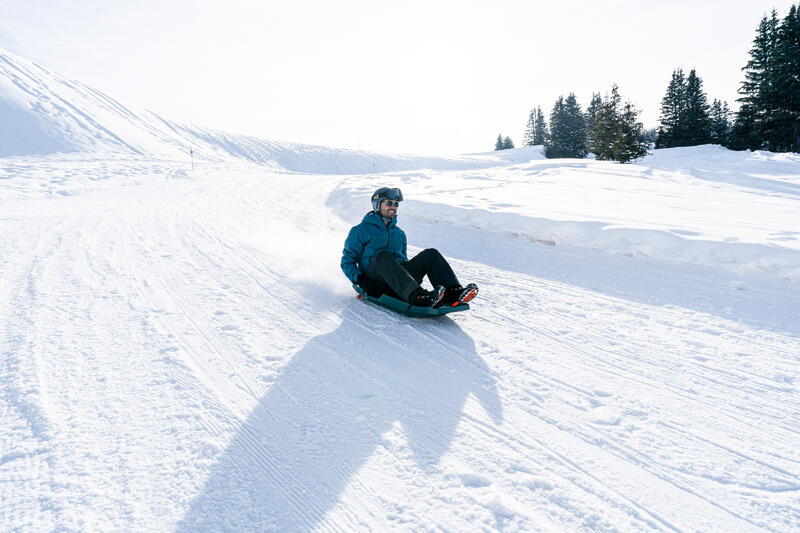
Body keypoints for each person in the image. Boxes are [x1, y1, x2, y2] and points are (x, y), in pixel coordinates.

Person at [341, 187, 478, 308]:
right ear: (377, 204)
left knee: (431, 254)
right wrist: (362, 281)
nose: (393, 207)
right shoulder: (360, 230)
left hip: (397, 282)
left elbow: (403, 259)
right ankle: (417, 296)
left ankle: (453, 293)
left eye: (396, 204)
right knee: (383, 256)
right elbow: (347, 261)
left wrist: (410, 274)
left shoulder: (399, 234)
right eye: (389, 202)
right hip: (375, 283)